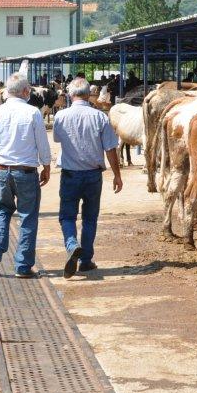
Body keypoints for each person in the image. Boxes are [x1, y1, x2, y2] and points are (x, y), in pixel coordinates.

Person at [52, 78, 123, 278]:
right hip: (93, 175)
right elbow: (110, 149)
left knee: (67, 216)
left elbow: (58, 139)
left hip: (70, 174)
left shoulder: (61, 117)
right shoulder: (100, 117)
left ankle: (72, 244)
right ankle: (85, 260)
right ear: (88, 94)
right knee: (90, 217)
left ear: (70, 94)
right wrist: (117, 175)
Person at [0, 73, 52, 278]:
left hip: (3, 170)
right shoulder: (33, 112)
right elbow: (42, 143)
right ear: (25, 91)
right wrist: (46, 166)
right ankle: (22, 266)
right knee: (27, 216)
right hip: (26, 172)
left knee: (3, 210)